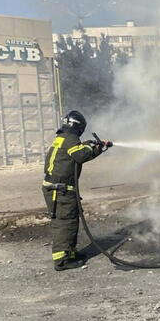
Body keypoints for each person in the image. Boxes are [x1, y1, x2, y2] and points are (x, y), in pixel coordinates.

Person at [42, 111, 111, 271]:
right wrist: (97, 148)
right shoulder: (71, 139)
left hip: (60, 188)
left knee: (71, 221)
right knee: (64, 222)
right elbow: (81, 155)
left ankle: (70, 253)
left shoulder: (64, 138)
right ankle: (62, 261)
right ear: (78, 127)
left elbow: (77, 150)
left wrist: (94, 145)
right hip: (60, 190)